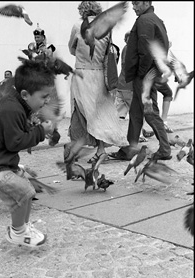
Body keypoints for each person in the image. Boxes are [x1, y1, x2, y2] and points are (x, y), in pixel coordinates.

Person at [0, 58, 55, 247]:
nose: (47, 101)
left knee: (27, 192)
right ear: (25, 94)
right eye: (43, 96)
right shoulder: (11, 110)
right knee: (23, 192)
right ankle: (18, 232)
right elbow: (15, 142)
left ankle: (22, 228)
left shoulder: (16, 105)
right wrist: (41, 131)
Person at [109, 1, 171, 161]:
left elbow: (145, 50)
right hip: (146, 76)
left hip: (143, 78)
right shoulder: (155, 19)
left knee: (150, 113)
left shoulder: (145, 20)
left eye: (136, 3)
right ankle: (130, 149)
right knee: (136, 114)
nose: (134, 7)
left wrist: (142, 74)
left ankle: (165, 149)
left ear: (145, 3)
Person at [68, 1, 126, 163]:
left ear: (82, 10)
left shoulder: (77, 25)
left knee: (80, 110)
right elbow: (109, 51)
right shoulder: (107, 27)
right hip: (101, 75)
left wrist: (82, 55)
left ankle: (78, 148)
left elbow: (71, 48)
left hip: (82, 74)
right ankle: (100, 149)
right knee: (99, 113)